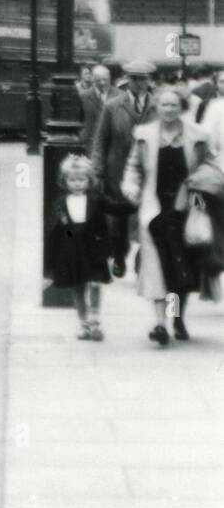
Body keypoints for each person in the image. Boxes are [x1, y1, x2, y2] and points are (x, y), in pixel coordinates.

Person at [121, 85, 212, 345]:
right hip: (155, 208)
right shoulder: (144, 134)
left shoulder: (198, 135)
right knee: (158, 268)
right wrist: (131, 186)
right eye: (164, 105)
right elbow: (133, 166)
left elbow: (211, 165)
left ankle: (178, 319)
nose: (169, 109)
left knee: (181, 268)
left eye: (174, 105)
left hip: (187, 208)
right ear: (156, 107)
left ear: (181, 107)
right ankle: (160, 324)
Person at [93, 59, 157, 277]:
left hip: (149, 172)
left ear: (149, 81)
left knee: (146, 219)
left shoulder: (158, 106)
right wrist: (98, 171)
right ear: (127, 80)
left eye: (143, 79)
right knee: (118, 220)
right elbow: (101, 140)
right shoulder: (112, 106)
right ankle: (119, 256)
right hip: (117, 171)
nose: (138, 84)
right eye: (134, 79)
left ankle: (142, 258)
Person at [44, 154, 111, 340]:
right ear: (65, 181)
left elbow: (111, 213)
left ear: (89, 180)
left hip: (93, 250)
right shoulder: (60, 204)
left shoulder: (96, 200)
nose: (77, 183)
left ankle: (95, 320)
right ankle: (83, 323)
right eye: (72, 180)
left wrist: (132, 203)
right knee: (78, 287)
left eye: (81, 179)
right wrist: (51, 263)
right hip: (72, 252)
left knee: (95, 283)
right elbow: (55, 232)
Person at [79, 65, 106, 154]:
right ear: (93, 79)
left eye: (105, 79)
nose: (102, 82)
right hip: (88, 142)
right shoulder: (84, 97)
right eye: (99, 79)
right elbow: (80, 119)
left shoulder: (115, 96)